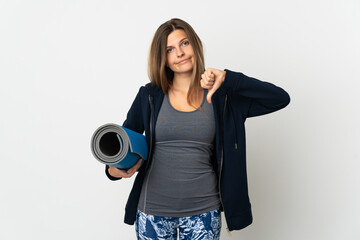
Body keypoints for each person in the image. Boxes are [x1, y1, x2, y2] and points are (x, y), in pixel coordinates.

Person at [105, 18, 290, 240]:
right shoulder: (149, 96)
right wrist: (113, 171)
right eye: (170, 49)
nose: (180, 53)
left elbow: (279, 98)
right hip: (152, 212)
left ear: (195, 45)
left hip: (203, 213)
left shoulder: (223, 97)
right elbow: (123, 144)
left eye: (184, 43)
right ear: (162, 59)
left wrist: (229, 78)